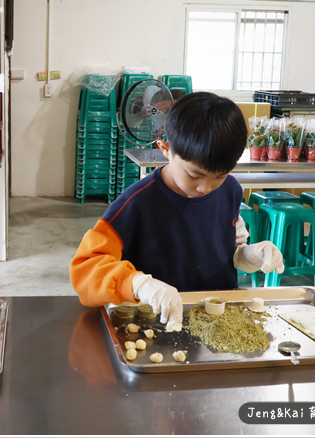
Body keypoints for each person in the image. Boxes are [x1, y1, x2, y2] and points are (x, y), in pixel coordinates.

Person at [69, 92, 285, 331]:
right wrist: (139, 285)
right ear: (165, 149)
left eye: (220, 176)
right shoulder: (136, 204)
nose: (205, 188)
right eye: (194, 175)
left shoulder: (230, 190)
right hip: (158, 325)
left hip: (216, 321)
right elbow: (86, 270)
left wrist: (250, 255)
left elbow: (227, 251)